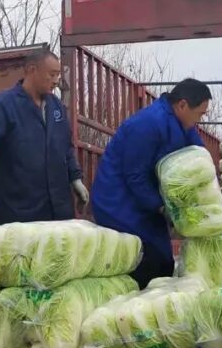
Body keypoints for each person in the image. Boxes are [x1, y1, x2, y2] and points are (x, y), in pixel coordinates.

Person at [90, 79, 213, 287]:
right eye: (199, 114)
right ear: (182, 105)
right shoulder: (147, 124)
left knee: (164, 263)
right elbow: (134, 176)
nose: (199, 120)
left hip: (146, 204)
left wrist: (211, 187)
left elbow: (199, 156)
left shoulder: (183, 124)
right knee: (148, 264)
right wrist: (162, 207)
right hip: (120, 204)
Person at [0, 48, 88, 224]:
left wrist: (75, 178)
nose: (56, 81)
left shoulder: (56, 108)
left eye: (58, 75)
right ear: (32, 70)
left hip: (60, 215)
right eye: (52, 74)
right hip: (22, 217)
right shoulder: (4, 106)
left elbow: (65, 147)